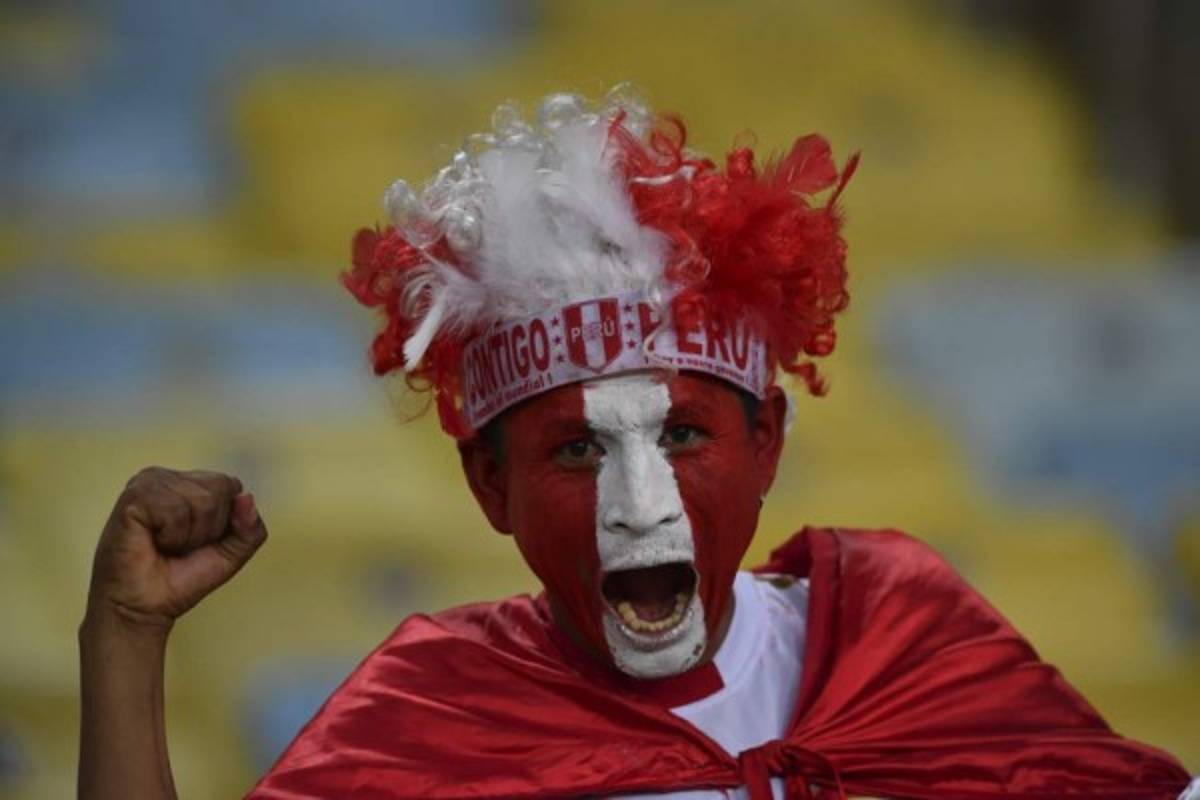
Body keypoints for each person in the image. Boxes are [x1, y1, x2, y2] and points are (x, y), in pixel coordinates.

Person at [79, 88, 1199, 799]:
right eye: (575, 451)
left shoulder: (897, 630)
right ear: (488, 483)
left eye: (682, 434)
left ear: (769, 444)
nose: (640, 503)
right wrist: (124, 638)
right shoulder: (425, 723)